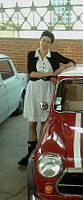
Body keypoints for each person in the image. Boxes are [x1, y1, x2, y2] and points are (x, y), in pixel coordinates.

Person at [18, 31, 76, 166]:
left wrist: (61, 70)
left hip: (47, 91)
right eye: (43, 40)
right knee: (32, 123)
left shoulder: (54, 56)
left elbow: (72, 62)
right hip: (34, 91)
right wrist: (51, 73)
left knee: (44, 123)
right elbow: (32, 73)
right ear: (40, 40)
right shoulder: (31, 55)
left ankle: (41, 151)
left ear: (51, 44)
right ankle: (30, 153)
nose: (44, 43)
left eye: (48, 42)